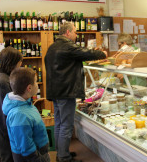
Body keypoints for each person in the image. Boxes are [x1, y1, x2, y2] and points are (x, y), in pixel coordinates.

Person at [45, 22, 107, 162]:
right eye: (75, 32)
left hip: (56, 92)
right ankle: (64, 157)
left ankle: (61, 153)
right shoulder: (67, 46)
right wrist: (102, 53)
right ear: (67, 33)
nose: (76, 34)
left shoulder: (52, 47)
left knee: (59, 124)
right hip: (66, 92)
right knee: (66, 126)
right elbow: (86, 53)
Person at [2, 67, 50, 162]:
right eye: (36, 82)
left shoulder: (25, 102)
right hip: (32, 157)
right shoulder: (19, 115)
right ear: (29, 88)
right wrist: (38, 158)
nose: (37, 85)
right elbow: (26, 146)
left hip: (40, 151)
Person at [0, 47, 23, 162]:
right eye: (19, 62)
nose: (20, 65)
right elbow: (2, 112)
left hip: (1, 131)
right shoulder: (3, 82)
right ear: (12, 62)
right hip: (5, 134)